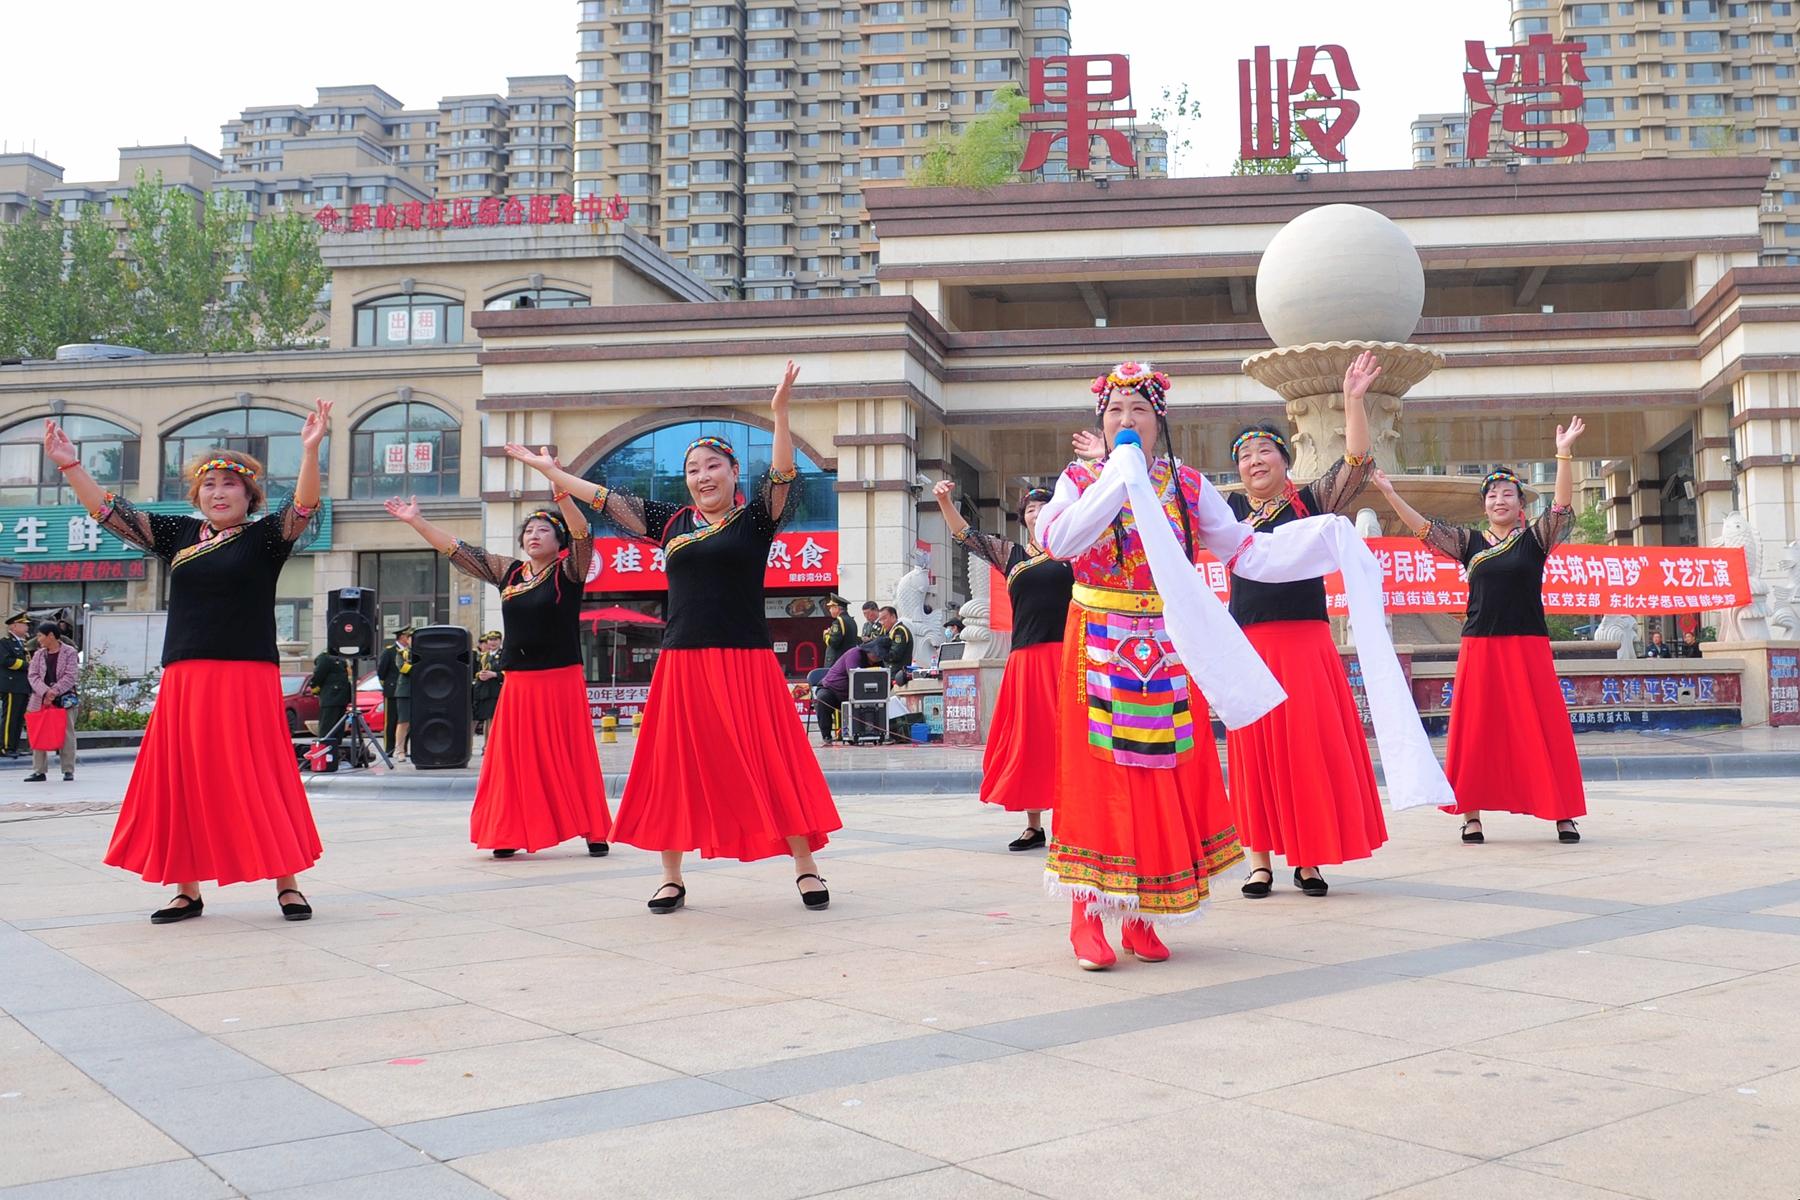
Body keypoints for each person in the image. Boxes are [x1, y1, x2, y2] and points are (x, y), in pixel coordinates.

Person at [514, 361, 841, 914]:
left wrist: (780, 414)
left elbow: (783, 473)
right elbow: (600, 498)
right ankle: (671, 876)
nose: (702, 475)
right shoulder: (672, 524)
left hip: (746, 661)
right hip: (682, 662)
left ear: (734, 472)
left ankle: (805, 866)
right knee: (675, 766)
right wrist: (554, 473)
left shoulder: (756, 519)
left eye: (713, 465)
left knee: (770, 759)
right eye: (693, 468)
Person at [51, 403, 331, 924]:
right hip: (186, 675)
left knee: (259, 775)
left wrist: (310, 449)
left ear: (249, 496)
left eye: (230, 484)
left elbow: (304, 507)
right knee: (184, 778)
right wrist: (71, 466)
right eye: (209, 485)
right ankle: (187, 890)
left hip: (248, 674)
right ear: (197, 496)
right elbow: (109, 512)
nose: (219, 492)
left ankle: (287, 883)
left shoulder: (266, 538)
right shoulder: (178, 536)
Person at [1371, 416, 1589, 845]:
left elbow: (1561, 506)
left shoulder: (1536, 540)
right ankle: (1470, 815)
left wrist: (1563, 454)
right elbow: (1424, 529)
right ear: (1484, 505)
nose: (1499, 499)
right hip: (1480, 647)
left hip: (1528, 644)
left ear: (1520, 504)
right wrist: (1391, 495)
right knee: (1475, 731)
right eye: (1492, 494)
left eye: (1508, 493)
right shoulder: (1469, 543)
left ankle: (1562, 813)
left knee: (1544, 727)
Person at [1221, 350, 1386, 900]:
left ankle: (1310, 859)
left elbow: (1357, 462)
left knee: (1306, 750)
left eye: (1265, 450)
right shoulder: (1230, 525)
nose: (1254, 461)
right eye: (1244, 456)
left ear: (1285, 460)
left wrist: (1354, 401)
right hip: (1249, 647)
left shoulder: (1311, 503)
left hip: (1305, 645)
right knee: (1255, 754)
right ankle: (1259, 861)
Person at [386, 478, 612, 861]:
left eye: (544, 530)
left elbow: (582, 533)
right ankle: (507, 830)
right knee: (514, 760)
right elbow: (460, 551)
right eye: (529, 531)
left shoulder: (569, 573)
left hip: (561, 678)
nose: (534, 535)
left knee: (572, 755)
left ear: (560, 543)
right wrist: (417, 523)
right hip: (520, 681)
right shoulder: (510, 574)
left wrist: (561, 492)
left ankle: (592, 830)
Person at [936, 480, 1074, 852]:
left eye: (1045, 506)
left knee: (1069, 739)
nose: (1038, 512)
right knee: (1030, 739)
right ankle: (1034, 825)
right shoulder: (1011, 555)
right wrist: (945, 499)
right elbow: (964, 535)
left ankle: (1073, 822)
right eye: (1030, 510)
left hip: (1070, 655)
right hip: (1026, 658)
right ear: (1023, 520)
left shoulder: (1076, 547)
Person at [24, 622, 78, 782]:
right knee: (38, 732)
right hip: (40, 699)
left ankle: (68, 769)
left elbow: (70, 675)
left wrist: (55, 691)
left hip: (64, 699)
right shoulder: (39, 655)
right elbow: (32, 675)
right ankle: (39, 770)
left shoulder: (69, 652)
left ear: (51, 636)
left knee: (67, 733)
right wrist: (45, 691)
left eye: (40, 635)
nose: (38, 639)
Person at [813, 635, 892, 744]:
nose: (878, 658)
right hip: (832, 690)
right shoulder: (854, 655)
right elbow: (856, 679)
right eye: (876, 654)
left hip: (854, 695)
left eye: (881, 656)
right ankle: (826, 735)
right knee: (823, 698)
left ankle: (867, 733)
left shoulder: (878, 662)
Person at [308, 647, 355, 748]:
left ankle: (336, 750)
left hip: (342, 697)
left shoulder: (340, 657)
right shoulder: (325, 657)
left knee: (339, 728)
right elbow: (318, 675)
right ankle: (324, 750)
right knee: (328, 726)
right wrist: (315, 688)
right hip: (331, 697)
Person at [377, 628, 412, 756]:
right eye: (407, 636)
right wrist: (386, 685)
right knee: (391, 721)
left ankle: (404, 748)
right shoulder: (390, 651)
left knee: (406, 720)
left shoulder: (410, 652)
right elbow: (381, 671)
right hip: (392, 690)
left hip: (407, 690)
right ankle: (389, 749)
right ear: (402, 637)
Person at [1, 610, 31, 757]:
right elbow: (7, 661)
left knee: (19, 718)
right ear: (13, 626)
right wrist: (28, 666)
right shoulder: (5, 642)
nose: (26, 628)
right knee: (10, 718)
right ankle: (5, 747)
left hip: (22, 685)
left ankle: (14, 746)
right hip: (11, 685)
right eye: (23, 625)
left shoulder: (22, 643)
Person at [472, 632, 504, 735]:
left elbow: (508, 672)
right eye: (490, 640)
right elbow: (478, 670)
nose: (493, 642)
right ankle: (486, 746)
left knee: (494, 719)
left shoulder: (503, 655)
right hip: (485, 691)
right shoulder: (484, 656)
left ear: (500, 641)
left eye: (495, 640)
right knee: (487, 719)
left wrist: (495, 675)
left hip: (497, 690)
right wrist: (480, 675)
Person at [877, 605, 913, 679]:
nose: (882, 622)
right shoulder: (888, 631)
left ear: (893, 617)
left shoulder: (900, 631)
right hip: (889, 672)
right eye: (880, 620)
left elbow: (894, 655)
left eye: (884, 618)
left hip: (897, 674)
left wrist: (879, 651)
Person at [822, 596, 858, 668]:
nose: (830, 610)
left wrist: (826, 635)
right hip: (848, 660)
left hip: (837, 661)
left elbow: (834, 642)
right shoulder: (851, 620)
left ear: (837, 609)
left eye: (831, 608)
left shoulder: (838, 621)